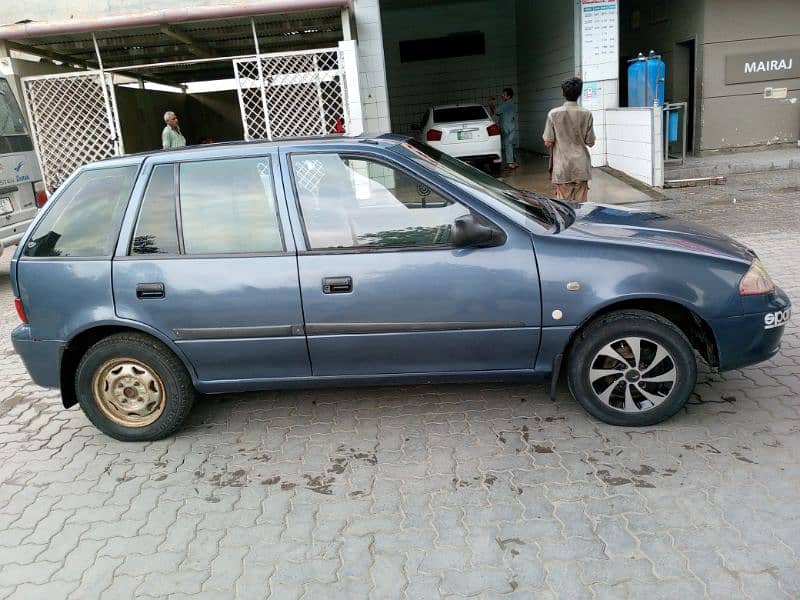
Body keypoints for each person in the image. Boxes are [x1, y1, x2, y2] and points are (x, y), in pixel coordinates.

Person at [543, 77, 596, 203]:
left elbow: (548, 142)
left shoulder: (553, 114)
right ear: (579, 93)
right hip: (581, 166)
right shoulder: (587, 113)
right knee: (581, 207)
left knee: (565, 209)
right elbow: (590, 142)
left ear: (563, 93)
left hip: (563, 167)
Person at [488, 88, 519, 170]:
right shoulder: (509, 103)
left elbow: (496, 111)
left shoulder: (507, 104)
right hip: (509, 126)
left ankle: (510, 163)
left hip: (507, 128)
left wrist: (491, 104)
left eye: (504, 94)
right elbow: (497, 113)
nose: (502, 95)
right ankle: (514, 162)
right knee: (511, 145)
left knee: (508, 144)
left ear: (508, 96)